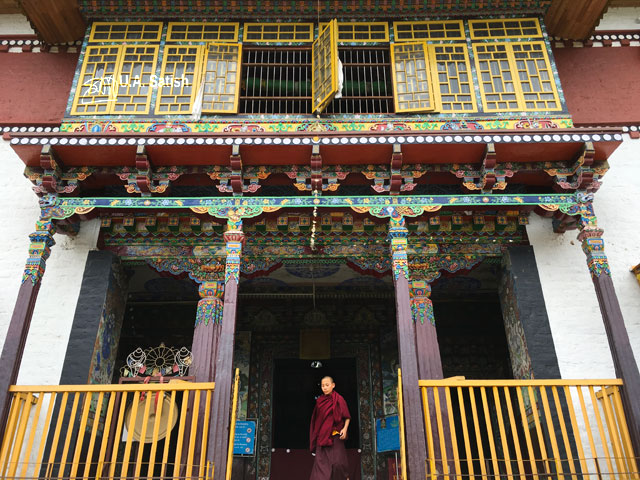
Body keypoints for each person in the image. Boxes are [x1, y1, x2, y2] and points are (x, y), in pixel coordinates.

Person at [309, 376, 351, 480]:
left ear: (333, 385)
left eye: (327, 385)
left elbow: (347, 417)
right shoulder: (319, 402)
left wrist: (345, 429)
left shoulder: (339, 399)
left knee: (338, 464)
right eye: (323, 385)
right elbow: (315, 421)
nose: (325, 388)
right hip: (322, 438)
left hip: (335, 436)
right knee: (320, 467)